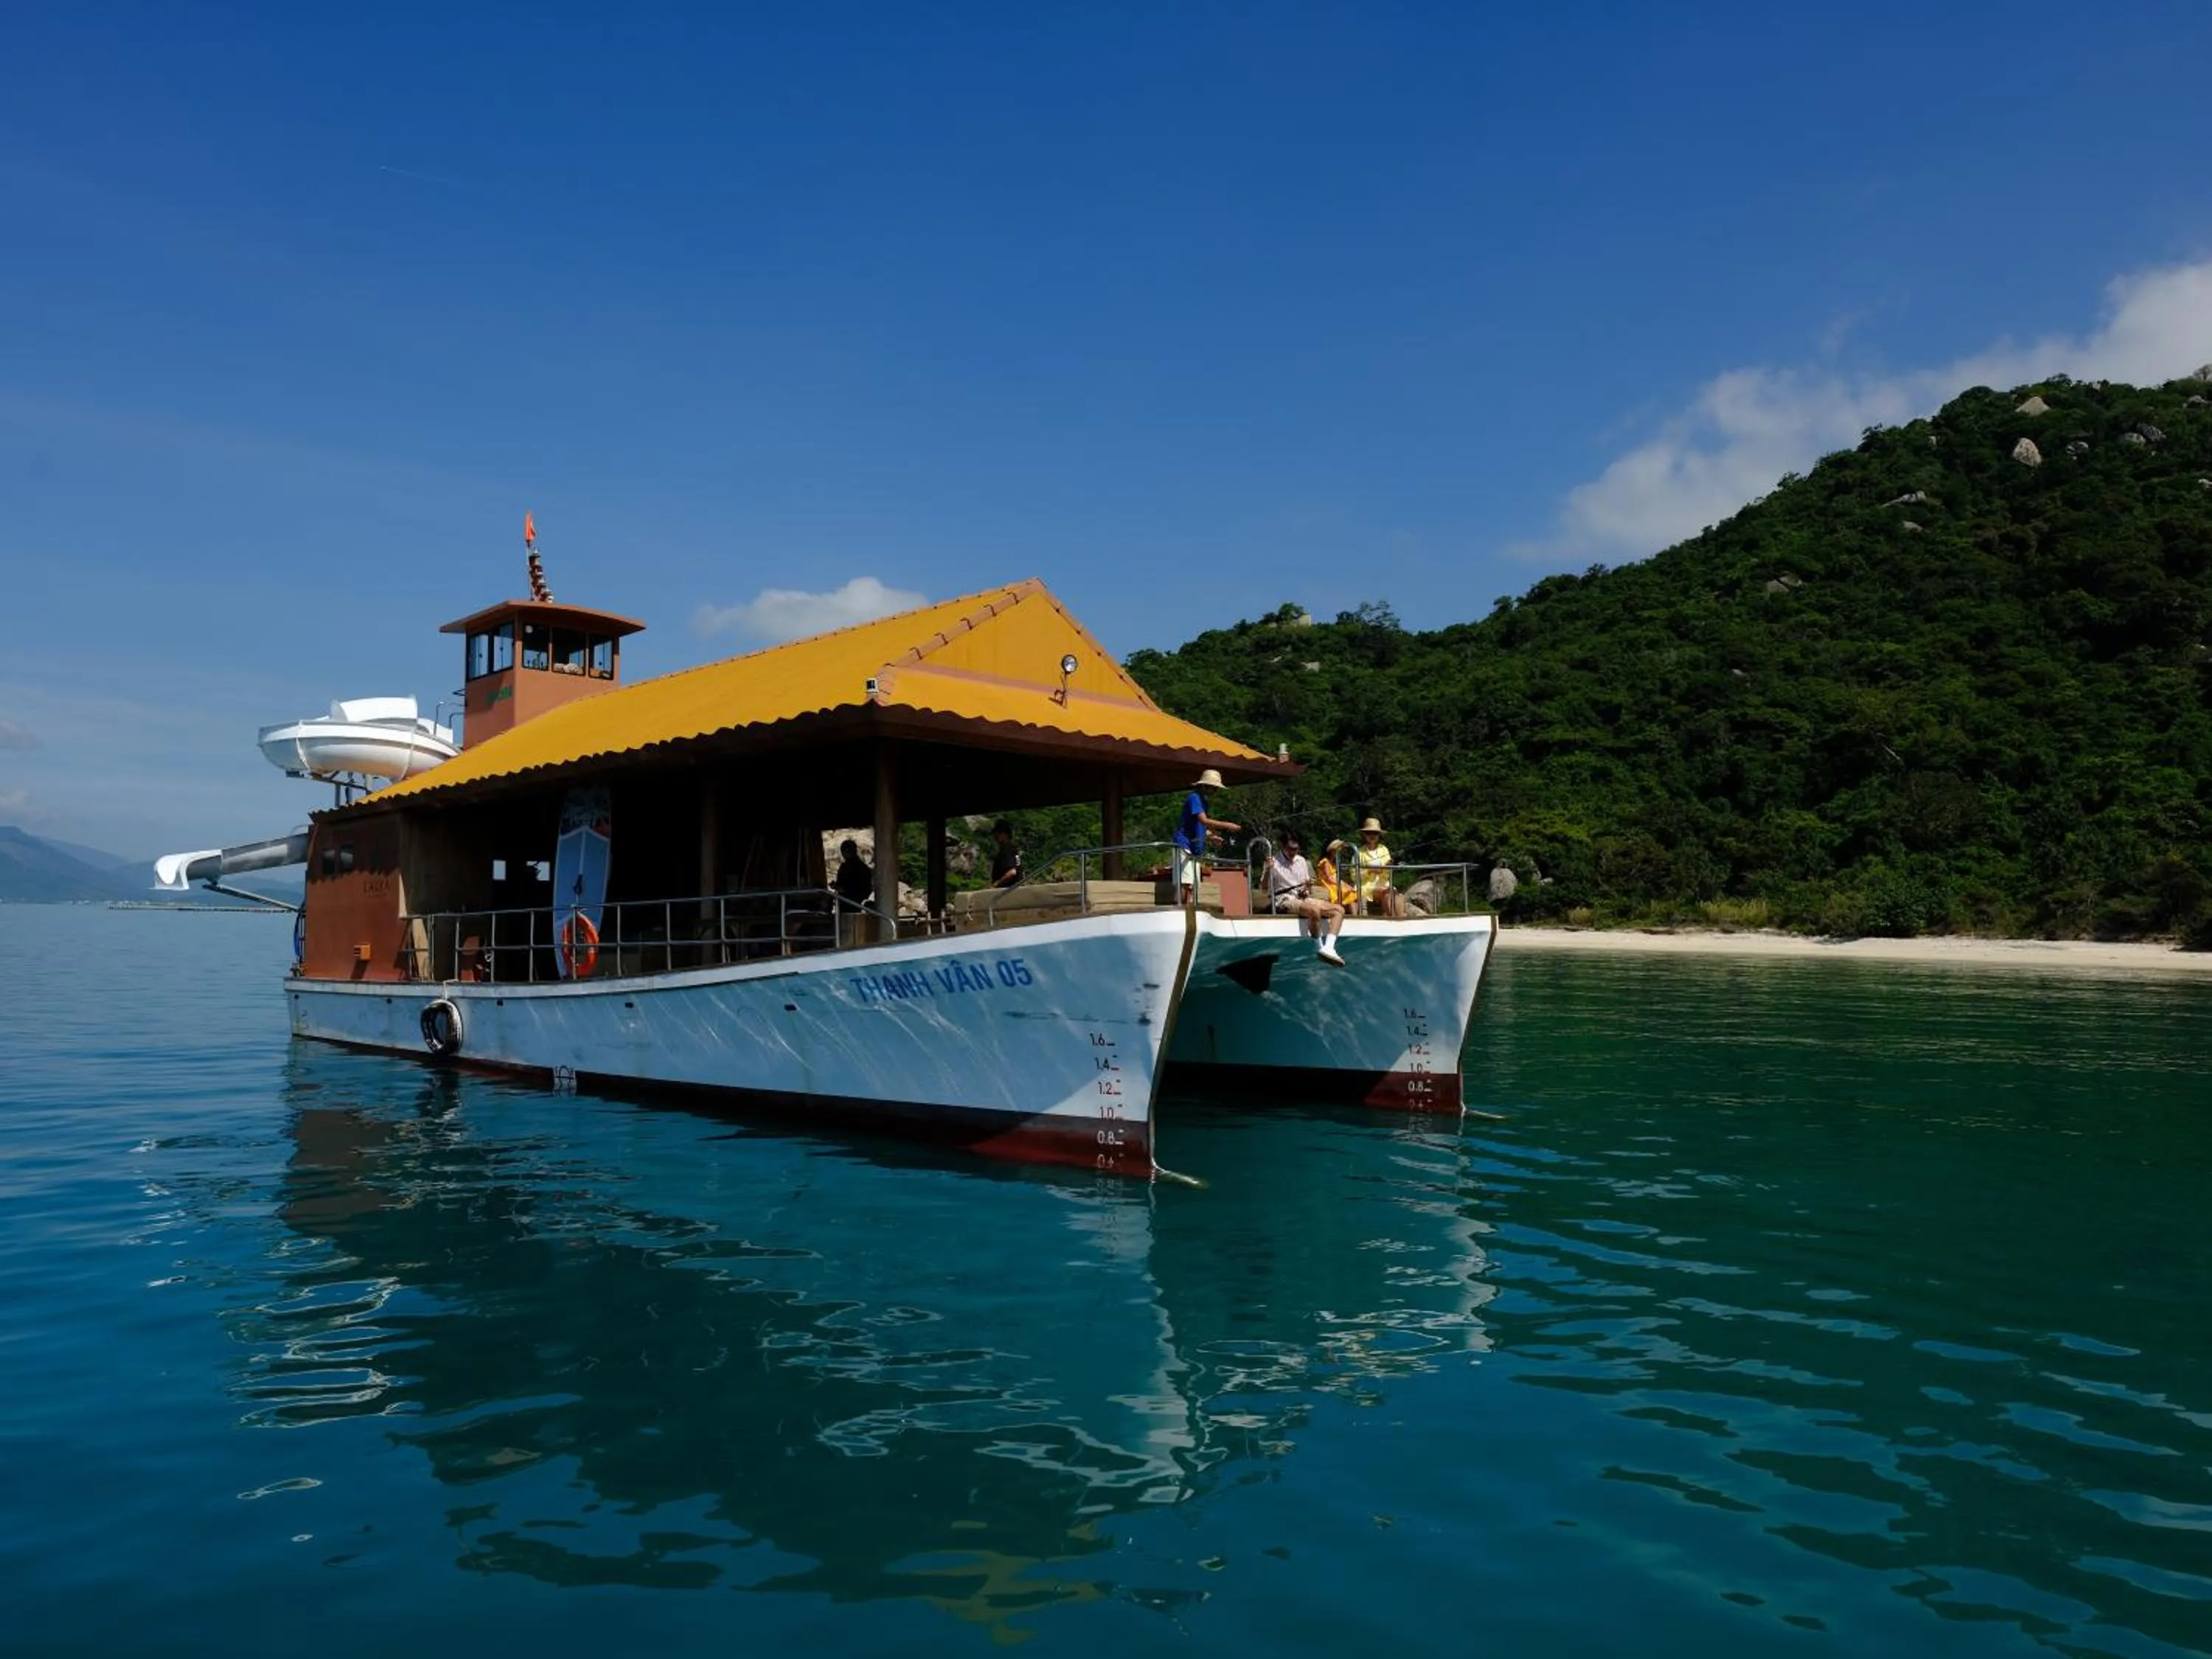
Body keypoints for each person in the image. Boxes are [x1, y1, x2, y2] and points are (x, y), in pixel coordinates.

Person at [1267, 832, 1346, 965]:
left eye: (1296, 849)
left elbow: (1306, 889)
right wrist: (1268, 870)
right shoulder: (1273, 862)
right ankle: (1318, 947)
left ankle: (1329, 948)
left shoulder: (1302, 861)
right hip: (1284, 900)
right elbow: (1264, 888)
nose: (1294, 852)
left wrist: (1307, 888)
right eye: (1291, 849)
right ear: (1283, 846)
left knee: (1339, 910)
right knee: (1314, 910)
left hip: (1302, 899)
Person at [1173, 769, 1241, 905]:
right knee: (1186, 881)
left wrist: (1211, 836)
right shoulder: (1194, 798)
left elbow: (1199, 826)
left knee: (1192, 884)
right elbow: (1204, 821)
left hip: (1194, 846)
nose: (1215, 791)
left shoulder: (1203, 802)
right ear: (1205, 786)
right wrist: (1227, 825)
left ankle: (1189, 908)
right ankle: (1181, 910)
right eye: (1214, 788)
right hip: (1183, 844)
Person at [1354, 817, 1402, 918]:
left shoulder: (1384, 850)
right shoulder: (1358, 853)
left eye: (1375, 833)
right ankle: (1393, 919)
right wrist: (1369, 871)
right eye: (1369, 833)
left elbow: (1388, 872)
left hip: (1384, 884)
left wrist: (1388, 867)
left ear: (1379, 835)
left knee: (1397, 896)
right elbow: (1354, 875)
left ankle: (1400, 918)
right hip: (1367, 888)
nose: (1372, 836)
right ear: (1364, 835)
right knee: (1388, 893)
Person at [833, 838, 874, 946]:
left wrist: (841, 889)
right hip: (858, 901)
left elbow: (845, 884)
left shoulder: (847, 867)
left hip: (848, 901)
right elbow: (867, 887)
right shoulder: (863, 867)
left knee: (846, 928)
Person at [988, 821, 1023, 888]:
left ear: (1005, 834)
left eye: (998, 834)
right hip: (1017, 889)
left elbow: (1012, 872)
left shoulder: (1006, 850)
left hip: (1006, 891)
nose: (995, 837)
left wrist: (996, 885)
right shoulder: (1015, 850)